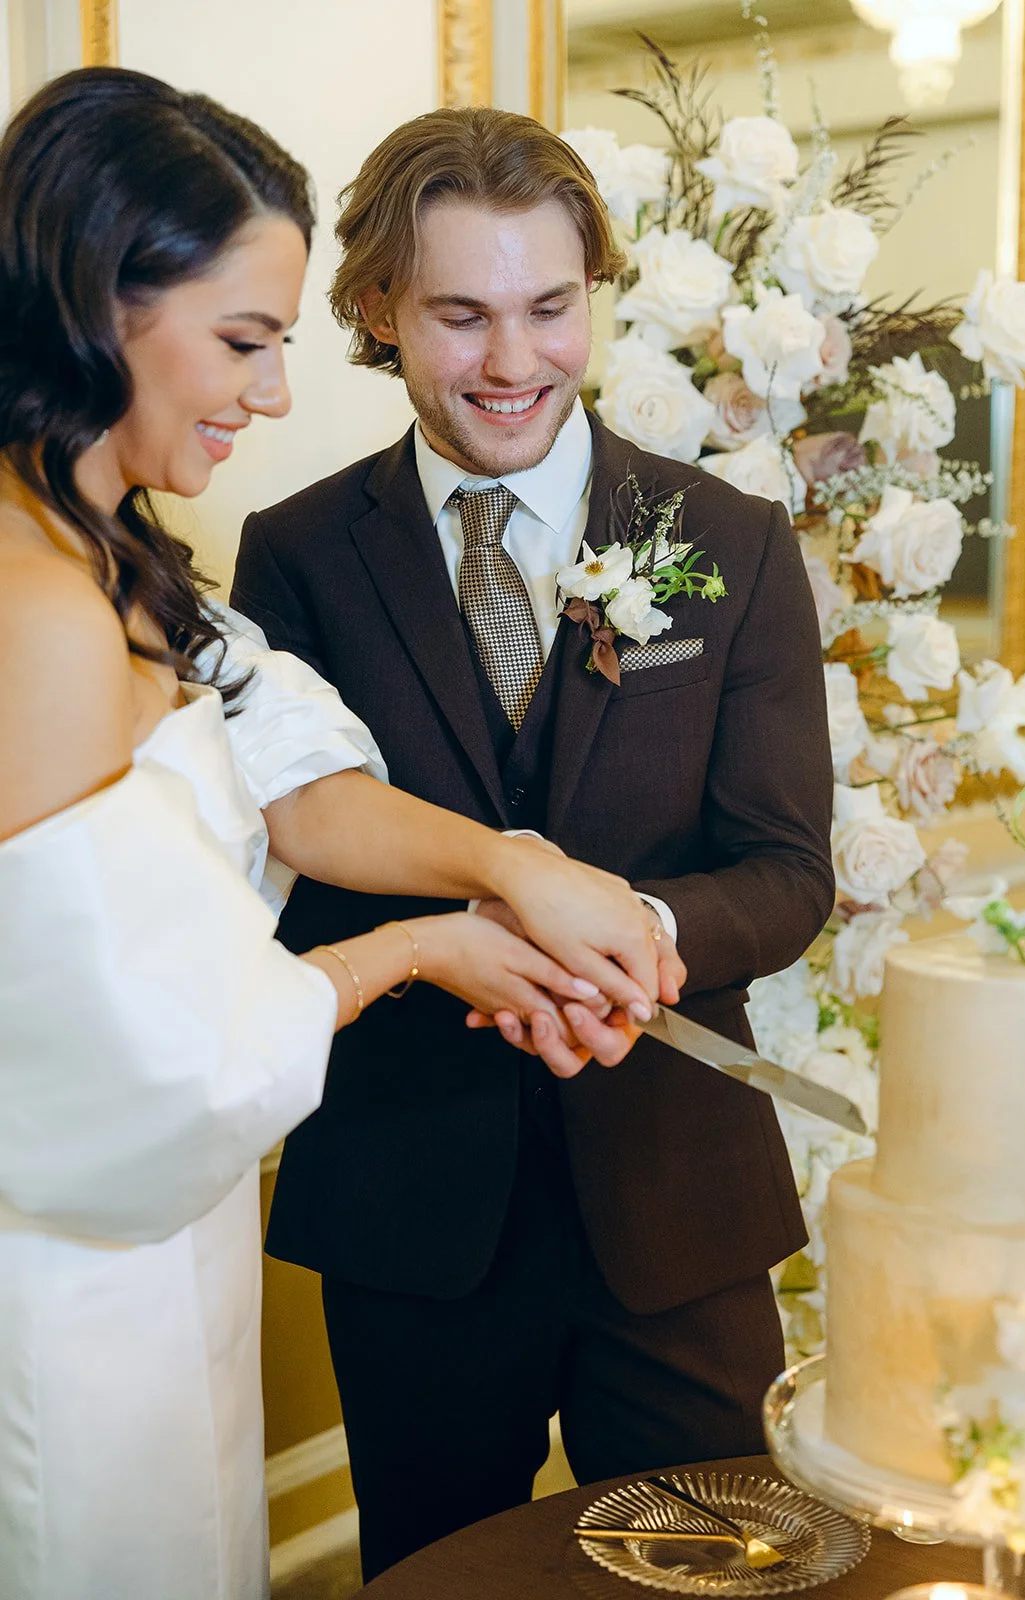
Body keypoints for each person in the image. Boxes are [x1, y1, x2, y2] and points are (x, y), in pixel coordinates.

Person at [0, 72, 670, 1600]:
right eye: (243, 342)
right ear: (95, 304)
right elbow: (143, 1065)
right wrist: (431, 947)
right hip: (74, 1273)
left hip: (173, 1258)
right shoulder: (33, 610)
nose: (275, 394)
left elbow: (295, 775)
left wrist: (514, 869)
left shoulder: (116, 551)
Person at [231, 105, 836, 1582]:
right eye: (460, 314)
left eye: (549, 308)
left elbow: (783, 871)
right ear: (378, 309)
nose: (513, 363)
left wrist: (620, 935)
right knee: (441, 1574)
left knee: (730, 1574)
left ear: (592, 296)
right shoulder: (295, 554)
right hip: (411, 1203)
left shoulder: (729, 539)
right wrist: (478, 952)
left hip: (677, 1206)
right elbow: (289, 873)